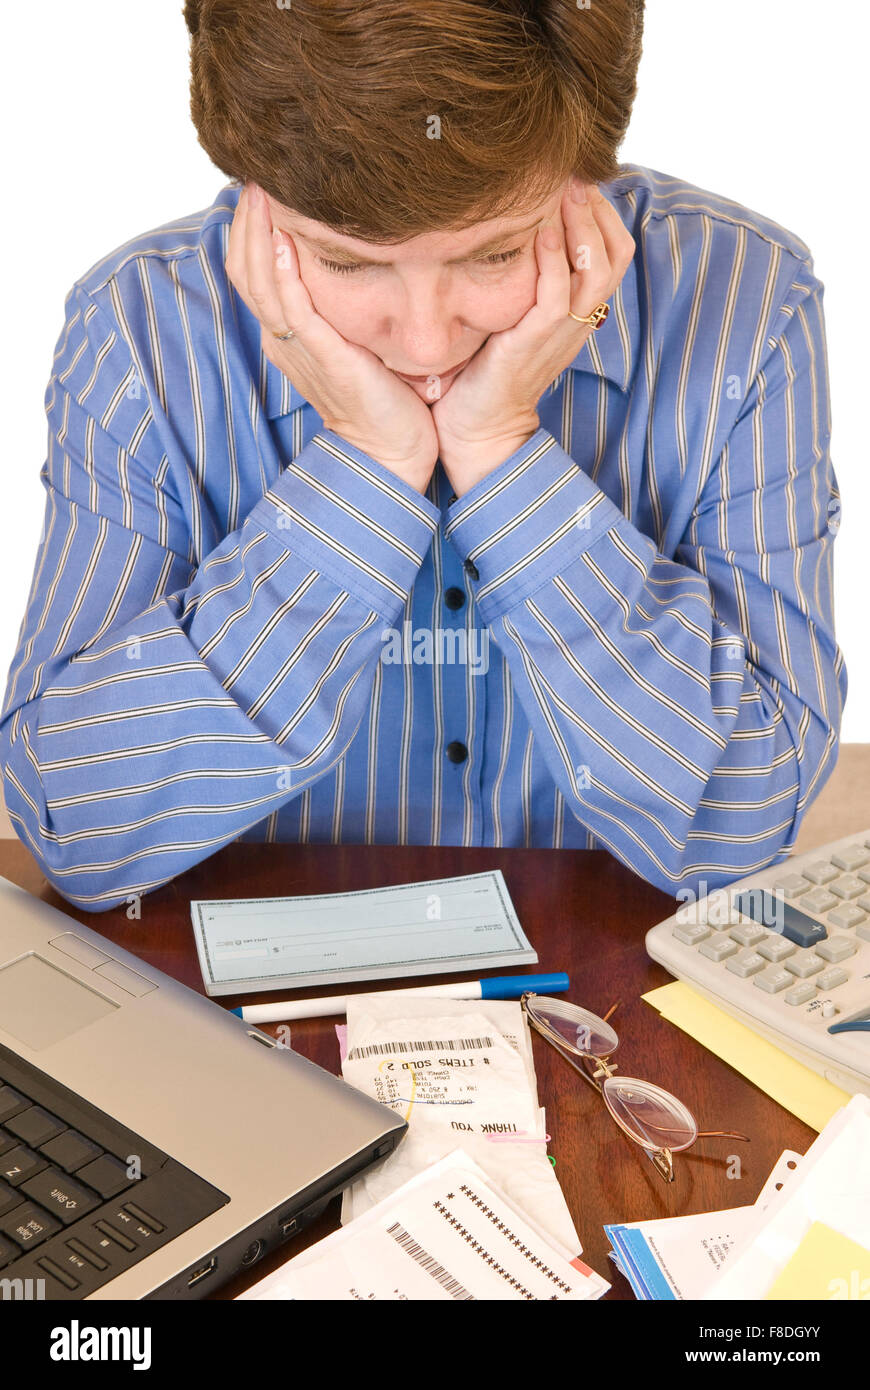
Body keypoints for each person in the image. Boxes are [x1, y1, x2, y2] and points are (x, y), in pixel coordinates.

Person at [0, 0, 845, 913]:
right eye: (351, 265)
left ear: (583, 185)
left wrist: (501, 454)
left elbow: (742, 821)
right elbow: (75, 827)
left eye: (494, 253)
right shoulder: (140, 334)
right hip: (243, 1019)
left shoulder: (746, 306)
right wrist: (365, 467)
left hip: (603, 1007)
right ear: (257, 204)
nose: (428, 338)